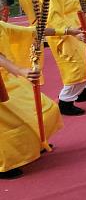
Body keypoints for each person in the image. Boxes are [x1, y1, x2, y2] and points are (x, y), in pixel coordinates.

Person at [0, 20, 73, 178]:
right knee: (12, 123)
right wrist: (20, 70)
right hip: (4, 82)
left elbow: (33, 31)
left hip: (8, 80)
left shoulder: (1, 26)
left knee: (47, 109)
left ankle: (36, 143)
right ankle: (4, 165)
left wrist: (67, 30)